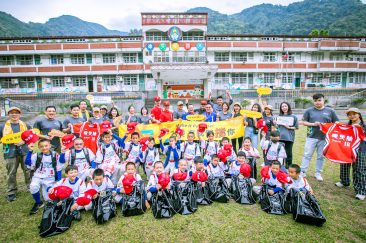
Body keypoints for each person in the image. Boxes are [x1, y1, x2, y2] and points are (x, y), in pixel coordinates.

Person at [300, 93, 339, 181]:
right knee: (307, 155)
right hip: (311, 136)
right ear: (313, 101)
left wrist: (328, 125)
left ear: (323, 100)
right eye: (315, 101)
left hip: (325, 138)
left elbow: (336, 122)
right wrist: (313, 124)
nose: (317, 102)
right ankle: (303, 171)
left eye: (319, 100)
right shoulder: (309, 111)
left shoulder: (330, 111)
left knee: (321, 156)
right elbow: (304, 122)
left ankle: (318, 173)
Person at [0, 107, 31, 202]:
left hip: (25, 151)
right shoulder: (2, 126)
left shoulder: (26, 125)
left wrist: (24, 141)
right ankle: (11, 192)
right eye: (12, 113)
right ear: (8, 114)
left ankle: (30, 187)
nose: (14, 115)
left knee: (28, 170)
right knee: (11, 172)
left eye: (16, 113)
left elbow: (31, 137)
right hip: (10, 152)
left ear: (20, 114)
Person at [26, 139, 64, 214]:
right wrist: (30, 151)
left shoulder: (55, 155)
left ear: (49, 146)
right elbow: (28, 163)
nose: (44, 148)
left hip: (50, 178)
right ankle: (38, 202)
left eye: (46, 146)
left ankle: (48, 194)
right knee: (33, 186)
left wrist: (58, 182)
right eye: (41, 146)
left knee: (49, 198)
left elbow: (59, 168)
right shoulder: (36, 155)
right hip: (38, 177)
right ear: (39, 148)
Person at [334, 108, 366, 200]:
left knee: (359, 169)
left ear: (359, 114)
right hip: (347, 149)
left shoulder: (363, 125)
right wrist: (337, 126)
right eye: (349, 114)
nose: (352, 116)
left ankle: (361, 191)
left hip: (360, 150)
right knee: (344, 166)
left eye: (354, 114)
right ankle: (344, 181)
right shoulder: (347, 126)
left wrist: (361, 130)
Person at [277, 102, 299, 168]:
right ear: (281, 108)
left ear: (288, 107)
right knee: (280, 153)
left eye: (285, 106)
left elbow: (296, 127)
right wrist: (275, 123)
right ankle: (280, 167)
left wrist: (289, 127)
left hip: (289, 138)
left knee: (288, 153)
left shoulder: (293, 117)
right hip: (280, 138)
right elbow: (277, 127)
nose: (284, 108)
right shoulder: (279, 117)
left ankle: (288, 167)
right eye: (282, 106)